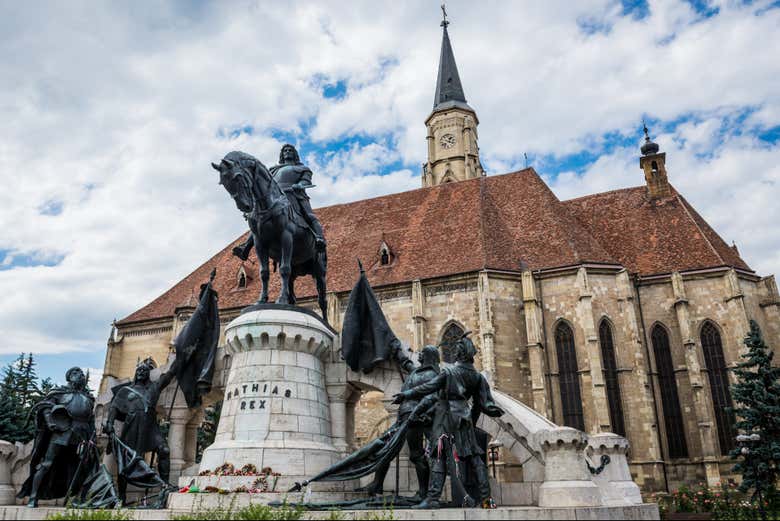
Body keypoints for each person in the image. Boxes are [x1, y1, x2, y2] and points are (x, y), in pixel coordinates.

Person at [393, 334, 504, 509]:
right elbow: (482, 404)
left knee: (438, 455)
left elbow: (429, 387)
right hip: (463, 417)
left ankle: (433, 498)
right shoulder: (477, 377)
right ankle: (487, 499)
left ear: (459, 354)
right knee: (474, 457)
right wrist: (473, 420)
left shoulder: (449, 371)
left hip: (446, 418)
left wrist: (406, 394)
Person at [357, 345, 441, 501]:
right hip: (403, 416)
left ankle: (423, 493)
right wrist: (395, 349)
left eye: (423, 353)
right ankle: (377, 484)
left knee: (416, 454)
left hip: (415, 417)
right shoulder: (417, 371)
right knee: (385, 447)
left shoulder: (432, 375)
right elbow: (405, 363)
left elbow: (435, 398)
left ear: (429, 356)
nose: (420, 355)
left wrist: (426, 414)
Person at [104, 357, 179, 503]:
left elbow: (169, 375)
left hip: (150, 427)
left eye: (145, 370)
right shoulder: (126, 390)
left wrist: (181, 358)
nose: (141, 372)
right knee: (125, 462)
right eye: (139, 370)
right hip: (132, 426)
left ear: (149, 374)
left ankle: (165, 486)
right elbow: (114, 407)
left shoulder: (154, 387)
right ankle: (122, 496)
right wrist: (109, 423)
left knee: (164, 450)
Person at [18, 367, 96, 508]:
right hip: (62, 432)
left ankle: (75, 498)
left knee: (78, 466)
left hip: (81, 434)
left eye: (82, 374)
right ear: (70, 377)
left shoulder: (88, 398)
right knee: (47, 464)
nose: (81, 376)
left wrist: (92, 436)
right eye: (76, 373)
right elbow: (46, 407)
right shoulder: (59, 393)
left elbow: (91, 419)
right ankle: (33, 497)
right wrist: (50, 422)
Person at [270, 144, 326, 251]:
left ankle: (319, 238)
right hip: (276, 198)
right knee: (261, 217)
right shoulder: (273, 170)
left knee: (309, 216)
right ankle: (247, 245)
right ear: (282, 154)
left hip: (294, 195)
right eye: (285, 150)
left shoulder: (302, 169)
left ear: (295, 154)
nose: (287, 152)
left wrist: (300, 185)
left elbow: (306, 180)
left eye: (290, 150)